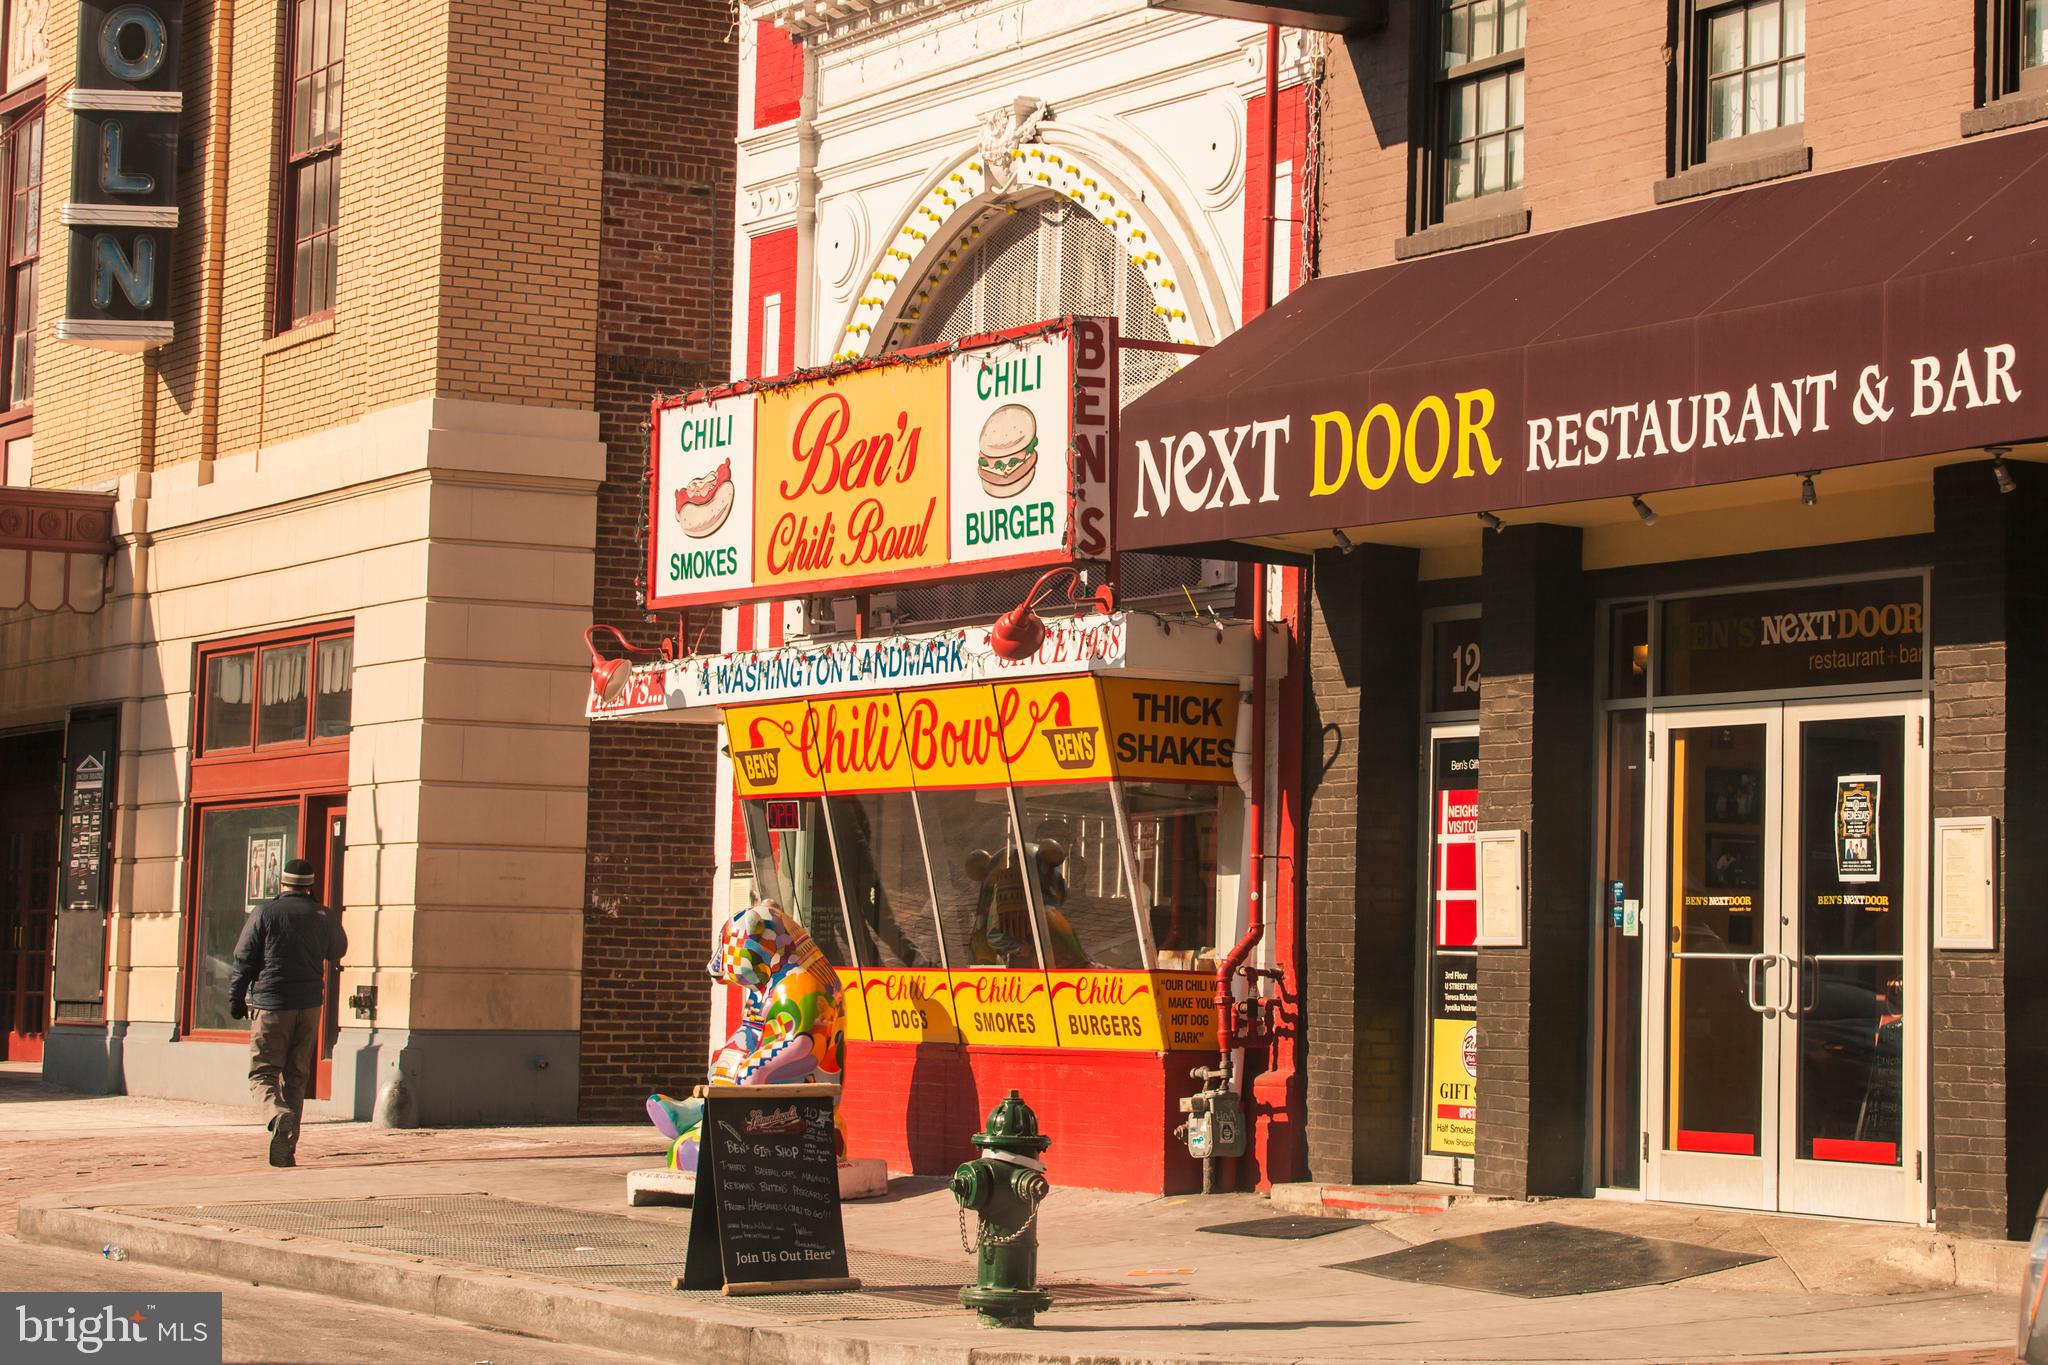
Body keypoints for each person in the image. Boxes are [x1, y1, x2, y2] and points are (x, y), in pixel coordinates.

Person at [230, 857, 347, 1167]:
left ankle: (276, 1115)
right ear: (310, 886)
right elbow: (338, 949)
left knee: (263, 1072)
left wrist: (236, 997)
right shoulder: (321, 914)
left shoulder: (265, 912)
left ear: (281, 884)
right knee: (296, 1077)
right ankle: (288, 1148)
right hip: (309, 1005)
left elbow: (243, 959)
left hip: (271, 1005)